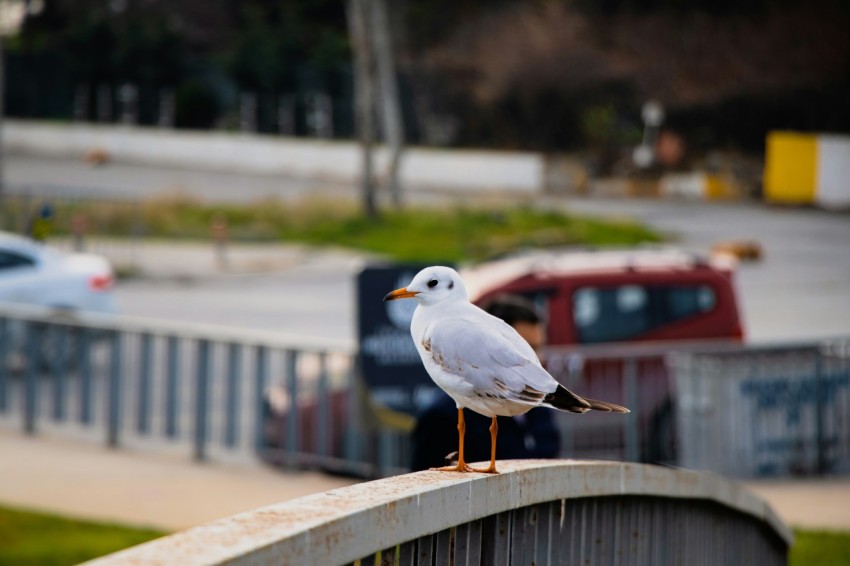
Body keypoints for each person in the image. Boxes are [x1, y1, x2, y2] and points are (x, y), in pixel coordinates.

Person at [410, 294, 561, 471]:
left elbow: (546, 453)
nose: (535, 359)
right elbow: (425, 480)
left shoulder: (537, 400)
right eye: (524, 349)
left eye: (537, 348)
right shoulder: (441, 416)